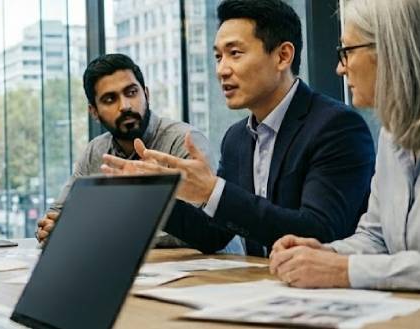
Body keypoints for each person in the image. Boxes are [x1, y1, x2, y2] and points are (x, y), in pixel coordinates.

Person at [101, 0, 375, 257]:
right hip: (260, 288)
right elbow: (213, 235)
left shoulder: (336, 126)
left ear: (282, 56)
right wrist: (152, 196)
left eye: (235, 54)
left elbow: (319, 232)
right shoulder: (237, 138)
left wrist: (212, 192)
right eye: (218, 57)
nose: (222, 70)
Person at [270, 0, 420, 290]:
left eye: (346, 52)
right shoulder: (392, 133)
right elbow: (375, 236)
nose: (340, 68)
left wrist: (344, 269)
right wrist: (327, 253)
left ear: (389, 50)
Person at [34, 53, 245, 252]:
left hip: (215, 272)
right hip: (145, 273)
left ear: (146, 94)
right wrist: (52, 228)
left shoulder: (185, 140)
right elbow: (58, 214)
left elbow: (201, 229)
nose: (125, 106)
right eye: (110, 99)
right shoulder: (95, 152)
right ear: (94, 112)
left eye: (131, 92)